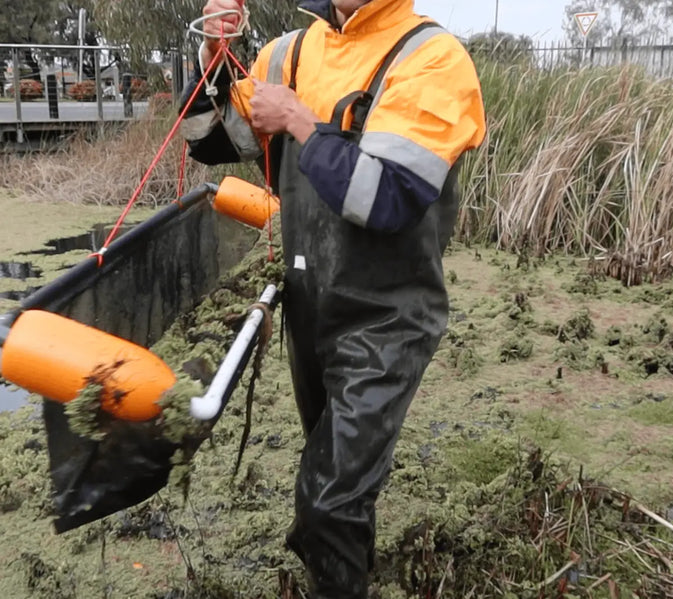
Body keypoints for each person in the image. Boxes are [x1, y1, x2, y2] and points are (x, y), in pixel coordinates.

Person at [179, 0, 486, 596]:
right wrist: (211, 56)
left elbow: (387, 198)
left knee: (326, 498)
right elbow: (211, 140)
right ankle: (346, 570)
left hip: (388, 315)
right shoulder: (288, 52)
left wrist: (298, 119)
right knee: (338, 476)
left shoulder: (432, 59)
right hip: (310, 303)